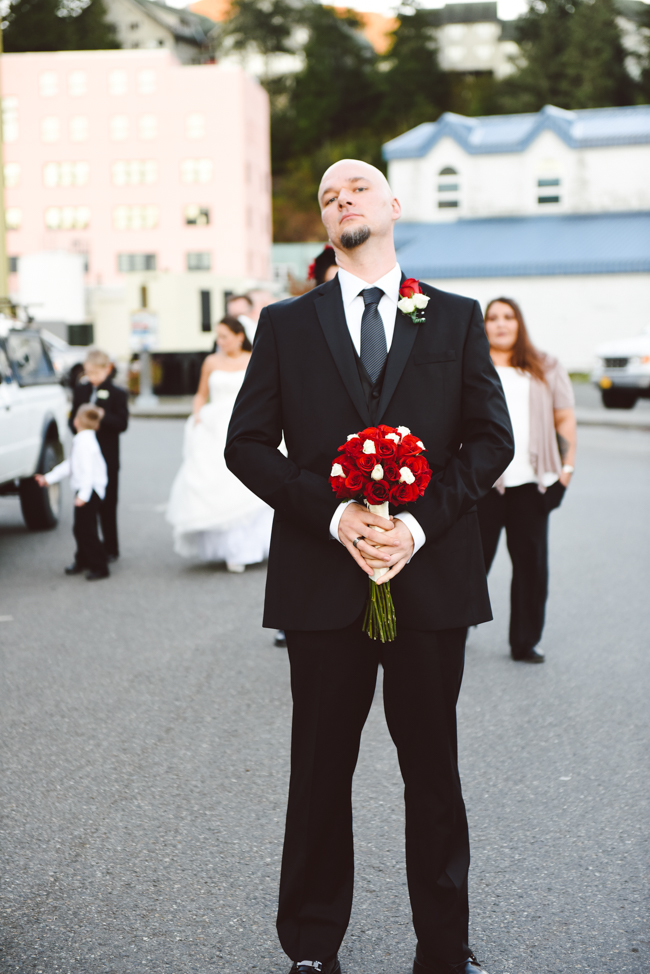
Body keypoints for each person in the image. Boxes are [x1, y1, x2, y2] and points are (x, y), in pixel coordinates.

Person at [225, 159, 514, 974]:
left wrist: (416, 529)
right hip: (321, 586)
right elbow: (244, 444)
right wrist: (334, 513)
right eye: (326, 196)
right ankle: (313, 945)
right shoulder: (285, 325)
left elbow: (491, 440)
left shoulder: (453, 319)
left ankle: (445, 948)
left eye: (356, 188)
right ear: (324, 225)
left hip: (429, 582)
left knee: (433, 773)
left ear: (393, 204)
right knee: (320, 771)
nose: (341, 199)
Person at [477, 298, 577, 664]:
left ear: (519, 323)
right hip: (483, 484)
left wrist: (565, 473)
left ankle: (525, 641)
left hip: (533, 484)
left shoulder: (544, 365)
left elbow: (564, 419)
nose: (501, 324)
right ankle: (458, 626)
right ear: (483, 325)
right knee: (471, 562)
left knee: (531, 567)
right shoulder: (474, 364)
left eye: (508, 317)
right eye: (492, 318)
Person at [166, 315, 273, 573]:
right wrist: (197, 416)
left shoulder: (253, 359)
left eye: (225, 336)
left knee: (246, 486)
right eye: (218, 336)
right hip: (214, 428)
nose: (220, 341)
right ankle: (225, 547)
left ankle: (247, 548)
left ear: (239, 336)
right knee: (214, 482)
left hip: (243, 422)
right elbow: (201, 394)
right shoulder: (211, 362)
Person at [36, 403, 109, 580]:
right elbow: (71, 465)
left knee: (87, 530)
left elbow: (87, 472)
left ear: (77, 422)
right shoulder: (82, 440)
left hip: (90, 491)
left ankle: (100, 565)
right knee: (80, 528)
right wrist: (49, 478)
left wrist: (83, 496)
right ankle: (83, 560)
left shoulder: (85, 443)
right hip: (86, 490)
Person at [69, 348, 129, 563]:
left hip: (107, 457)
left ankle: (111, 548)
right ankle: (85, 553)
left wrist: (100, 418)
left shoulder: (117, 393)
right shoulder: (81, 390)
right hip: (84, 458)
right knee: (84, 508)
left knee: (108, 504)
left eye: (96, 373)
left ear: (107, 369)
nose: (92, 378)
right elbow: (73, 419)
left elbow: (122, 424)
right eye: (88, 373)